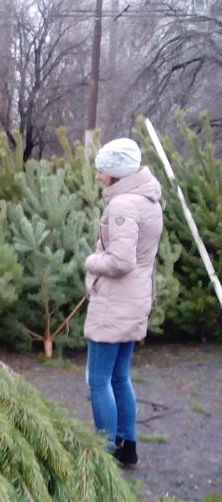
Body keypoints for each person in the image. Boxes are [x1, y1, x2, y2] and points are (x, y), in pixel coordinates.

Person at [84, 137, 163, 467]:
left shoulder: (123, 206)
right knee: (120, 377)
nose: (99, 176)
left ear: (115, 172)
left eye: (102, 171)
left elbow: (121, 261)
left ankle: (106, 451)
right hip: (135, 300)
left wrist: (91, 262)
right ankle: (126, 446)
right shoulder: (149, 200)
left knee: (99, 379)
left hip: (116, 303)